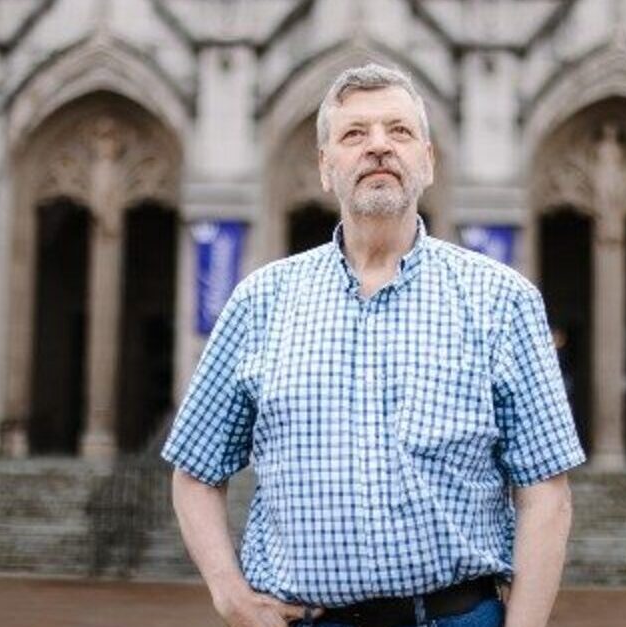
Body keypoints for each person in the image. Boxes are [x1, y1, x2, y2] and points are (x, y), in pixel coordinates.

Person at [161, 63, 585, 627]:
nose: (379, 147)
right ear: (324, 167)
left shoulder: (503, 300)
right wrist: (229, 595)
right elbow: (194, 470)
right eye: (355, 134)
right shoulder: (259, 300)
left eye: (400, 131)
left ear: (428, 162)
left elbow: (546, 491)